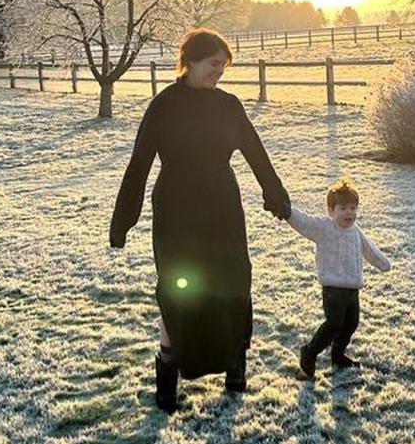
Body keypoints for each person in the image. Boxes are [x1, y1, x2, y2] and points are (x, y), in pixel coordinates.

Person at [109, 28, 290, 414]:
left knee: (233, 284)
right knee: (179, 291)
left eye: (224, 66)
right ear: (189, 61)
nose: (219, 72)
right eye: (213, 64)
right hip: (177, 212)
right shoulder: (163, 107)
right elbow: (139, 163)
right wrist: (124, 219)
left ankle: (234, 370)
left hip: (223, 208)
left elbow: (256, 153)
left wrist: (276, 194)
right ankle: (168, 383)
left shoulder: (229, 106)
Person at [284, 177, 392, 379]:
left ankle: (338, 354)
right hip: (333, 289)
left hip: (352, 289)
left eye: (353, 208)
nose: (349, 213)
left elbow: (370, 251)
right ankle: (309, 352)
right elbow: (303, 222)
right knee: (333, 324)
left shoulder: (356, 232)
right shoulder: (325, 228)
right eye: (343, 208)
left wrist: (384, 264)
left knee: (351, 324)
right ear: (331, 210)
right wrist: (287, 211)